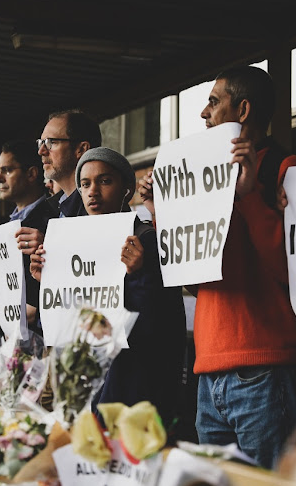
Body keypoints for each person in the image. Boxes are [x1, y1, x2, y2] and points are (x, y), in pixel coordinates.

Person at [138, 66, 296, 468]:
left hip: (267, 368)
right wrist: (159, 212)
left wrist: (250, 196)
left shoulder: (287, 170)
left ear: (244, 109)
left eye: (214, 102)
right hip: (210, 369)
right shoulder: (203, 177)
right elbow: (195, 281)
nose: (203, 113)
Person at [31, 147, 186, 424]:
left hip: (133, 389)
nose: (92, 192)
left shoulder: (146, 240)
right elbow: (70, 321)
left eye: (105, 181)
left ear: (127, 189)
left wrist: (139, 274)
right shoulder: (70, 245)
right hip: (88, 388)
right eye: (85, 184)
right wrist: (47, 282)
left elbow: (163, 323)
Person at [0, 140, 52, 324]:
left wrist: (49, 246)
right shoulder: (3, 226)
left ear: (31, 173)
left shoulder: (54, 218)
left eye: (7, 170)